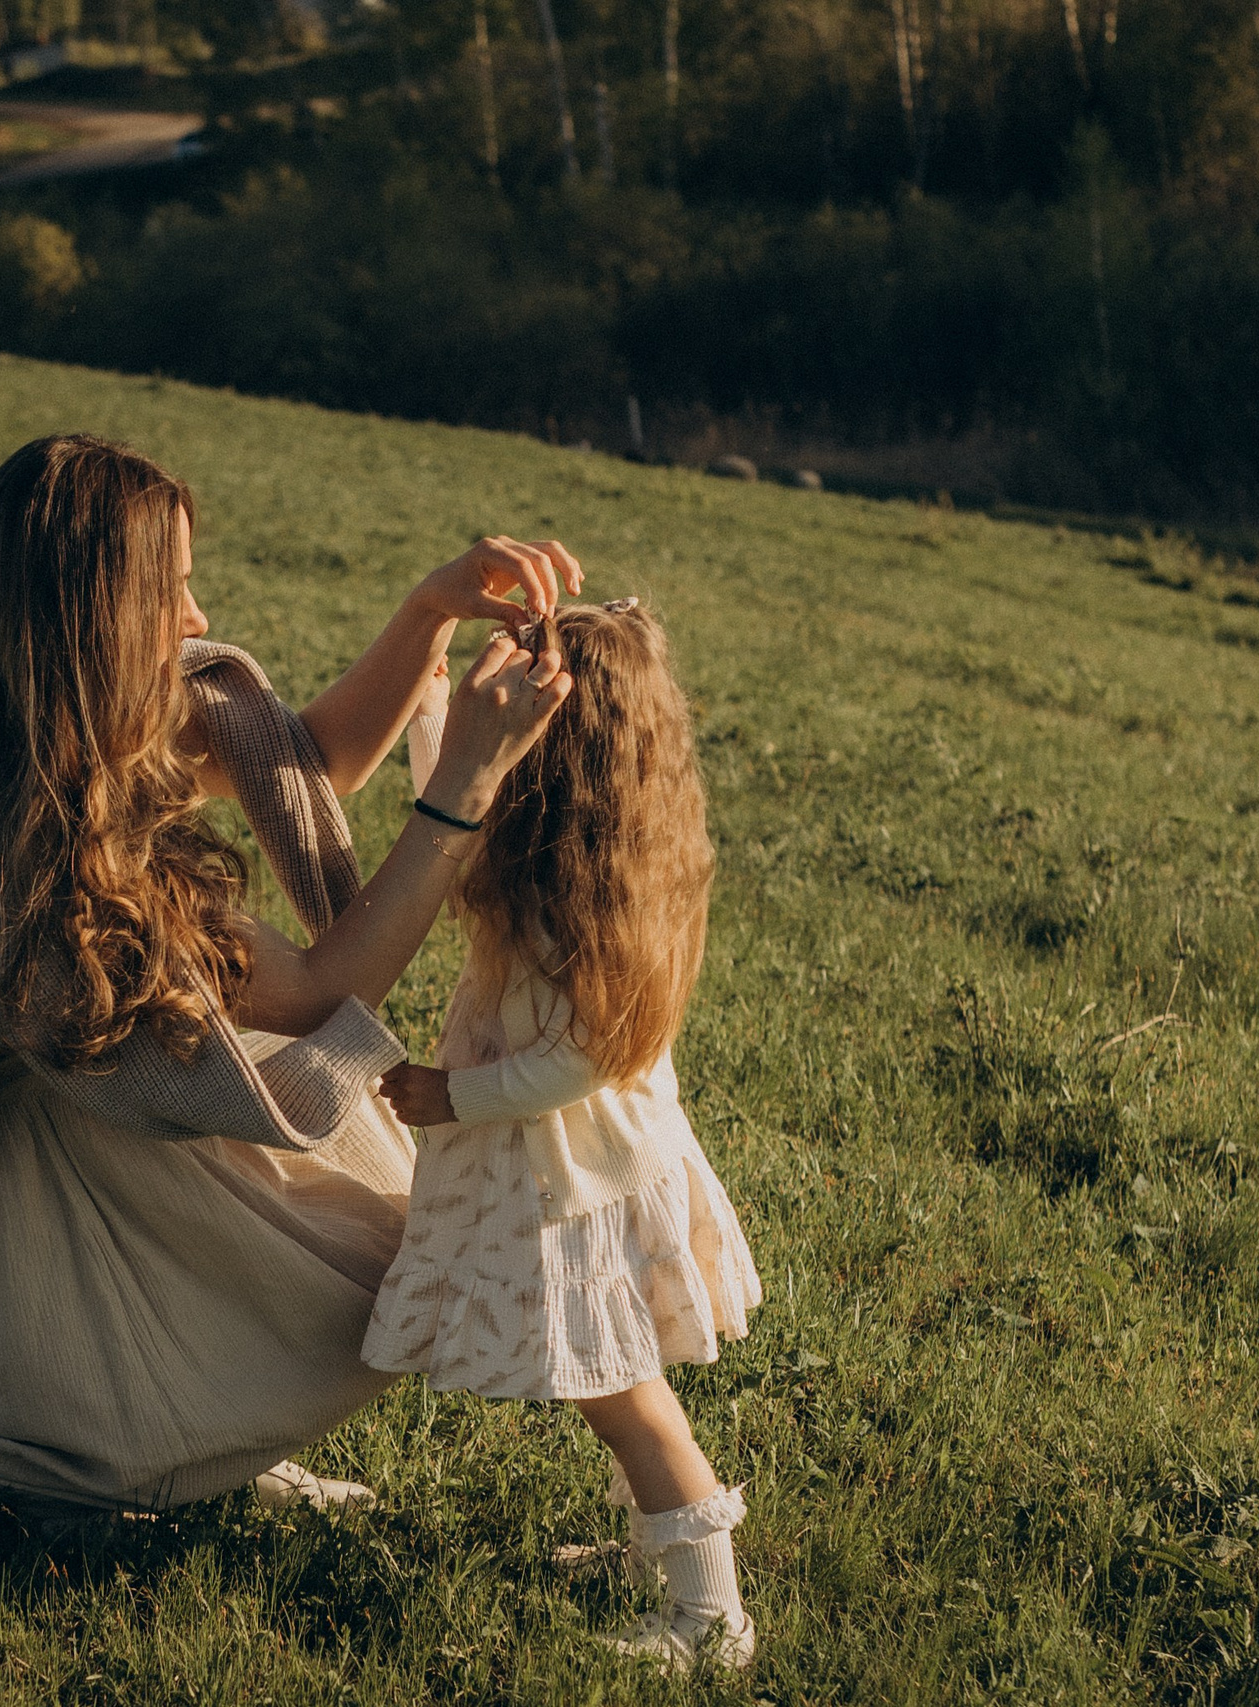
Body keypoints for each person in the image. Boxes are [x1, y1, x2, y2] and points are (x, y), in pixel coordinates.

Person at [0, 433, 577, 1514]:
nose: (199, 618)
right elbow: (315, 994)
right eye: (169, 590)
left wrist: (425, 615)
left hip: (47, 1180)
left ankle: (189, 1423)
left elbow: (302, 762)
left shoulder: (21, 720)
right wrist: (463, 789)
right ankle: (105, 1425)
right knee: (381, 1230)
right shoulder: (26, 851)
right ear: (91, 616)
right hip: (5, 1282)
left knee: (374, 1191)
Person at [366, 599, 764, 1671]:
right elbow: (443, 797)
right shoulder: (554, 851)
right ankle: (655, 1554)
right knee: (612, 1391)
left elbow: (586, 1062)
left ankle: (711, 1617)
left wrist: (456, 1096)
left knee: (622, 1391)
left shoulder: (589, 902)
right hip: (561, 1169)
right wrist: (435, 680)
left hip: (584, 1182)